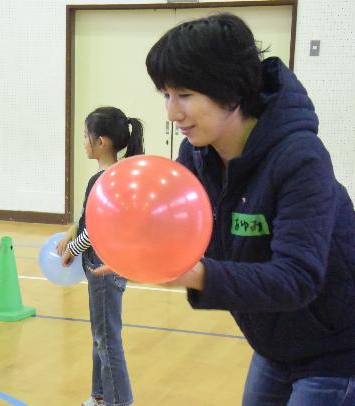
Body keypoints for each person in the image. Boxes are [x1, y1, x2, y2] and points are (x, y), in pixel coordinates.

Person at [144, 13, 355, 405]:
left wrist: (199, 274)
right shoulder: (197, 156)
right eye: (166, 95)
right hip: (273, 344)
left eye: (185, 94)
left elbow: (297, 278)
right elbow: (172, 219)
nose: (172, 113)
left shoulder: (300, 158)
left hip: (337, 350)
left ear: (230, 91)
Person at [58, 107, 144, 406]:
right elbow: (87, 218)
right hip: (110, 265)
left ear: (102, 142)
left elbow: (96, 230)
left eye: (86, 136)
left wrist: (72, 249)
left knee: (107, 338)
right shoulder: (116, 175)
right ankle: (100, 396)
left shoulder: (104, 180)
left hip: (103, 266)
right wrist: (72, 230)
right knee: (101, 334)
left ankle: (118, 401)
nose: (83, 141)